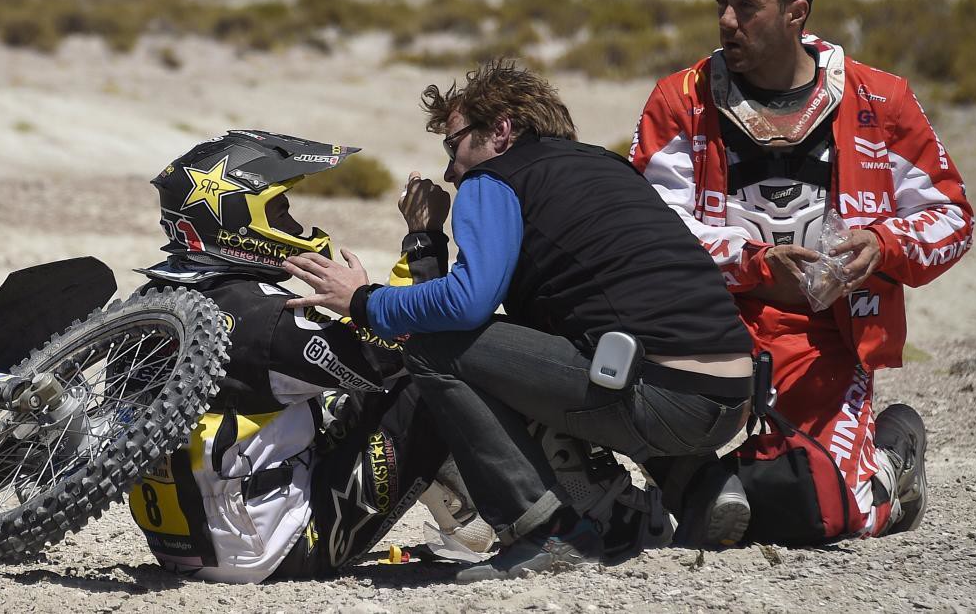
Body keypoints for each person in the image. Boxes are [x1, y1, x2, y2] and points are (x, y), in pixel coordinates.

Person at [283, 59, 757, 581]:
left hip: (662, 397)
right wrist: (426, 238)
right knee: (536, 342)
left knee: (431, 353)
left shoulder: (494, 178)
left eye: (453, 145)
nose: (449, 171)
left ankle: (545, 531)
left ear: (502, 130)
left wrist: (363, 300)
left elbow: (463, 310)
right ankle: (694, 482)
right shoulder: (602, 167)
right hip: (733, 397)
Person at [630, 0, 973, 541]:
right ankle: (692, 480)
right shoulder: (682, 101)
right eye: (720, 4)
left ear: (796, 12)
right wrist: (752, 262)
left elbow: (952, 217)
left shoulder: (878, 100)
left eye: (746, 7)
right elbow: (648, 230)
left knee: (829, 513)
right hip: (709, 325)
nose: (726, 21)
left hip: (826, 340)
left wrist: (882, 246)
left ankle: (890, 456)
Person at [128, 129, 458, 583]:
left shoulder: (151, 301)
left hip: (181, 546)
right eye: (280, 212)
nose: (292, 226)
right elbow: (399, 349)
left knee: (329, 400)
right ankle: (482, 523)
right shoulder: (262, 315)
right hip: (273, 552)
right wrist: (421, 244)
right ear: (240, 221)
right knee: (435, 373)